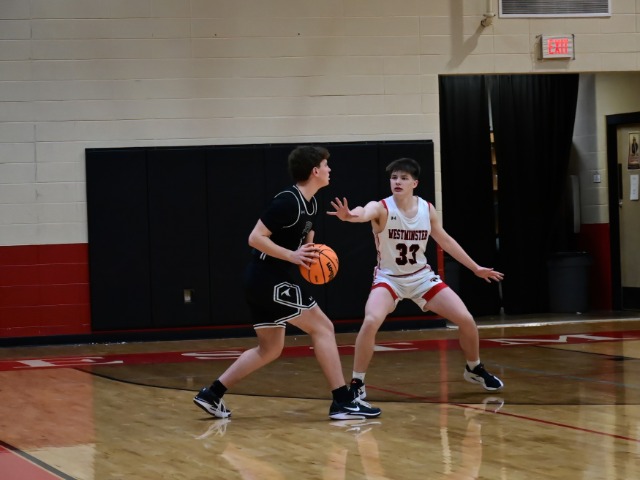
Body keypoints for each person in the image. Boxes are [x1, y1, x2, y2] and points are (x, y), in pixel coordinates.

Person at [194, 145, 381, 420]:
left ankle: (212, 393)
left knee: (270, 349)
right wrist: (292, 256)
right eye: (326, 165)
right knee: (323, 327)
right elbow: (255, 237)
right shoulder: (287, 201)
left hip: (265, 280)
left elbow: (307, 238)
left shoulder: (312, 202)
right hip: (267, 277)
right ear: (315, 170)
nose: (330, 169)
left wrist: (312, 255)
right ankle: (342, 401)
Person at [328, 157, 504, 401]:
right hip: (389, 279)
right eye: (394, 177)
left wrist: (475, 268)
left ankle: (474, 368)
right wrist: (349, 215)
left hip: (421, 278)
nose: (397, 182)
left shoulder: (427, 209)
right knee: (371, 320)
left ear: (415, 183)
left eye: (403, 178)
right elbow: (363, 212)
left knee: (466, 320)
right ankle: (357, 382)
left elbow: (445, 240)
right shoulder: (382, 207)